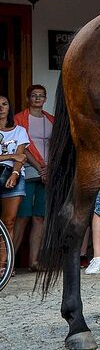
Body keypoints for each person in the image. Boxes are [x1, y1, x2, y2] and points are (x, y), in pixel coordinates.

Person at [13, 85, 53, 270]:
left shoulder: (51, 119)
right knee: (22, 216)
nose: (37, 98)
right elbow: (23, 146)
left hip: (47, 173)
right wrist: (40, 167)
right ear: (28, 98)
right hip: (28, 170)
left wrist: (48, 169)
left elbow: (56, 145)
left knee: (40, 217)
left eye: (41, 96)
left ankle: (34, 261)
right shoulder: (19, 118)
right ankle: (8, 263)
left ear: (45, 99)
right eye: (34, 96)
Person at [0, 95, 28, 275]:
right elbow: (15, 156)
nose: (1, 108)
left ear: (9, 108)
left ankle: (2, 264)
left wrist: (15, 173)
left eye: (4, 104)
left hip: (13, 176)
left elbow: (22, 156)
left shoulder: (20, 131)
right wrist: (10, 156)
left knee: (8, 222)